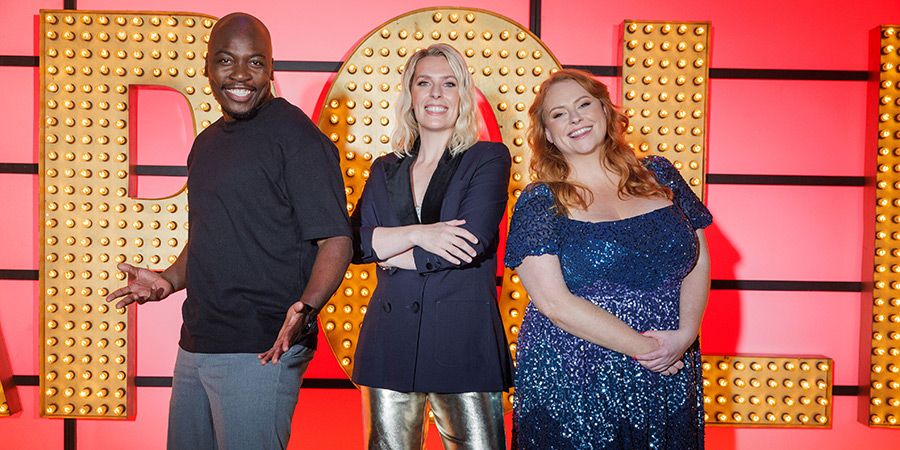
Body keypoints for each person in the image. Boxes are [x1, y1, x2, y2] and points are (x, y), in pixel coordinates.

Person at [105, 13, 352, 450]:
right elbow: (210, 234)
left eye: (254, 63)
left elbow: (337, 239)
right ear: (207, 67)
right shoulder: (207, 142)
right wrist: (168, 280)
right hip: (196, 344)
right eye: (226, 61)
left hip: (260, 348)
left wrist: (306, 307)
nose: (240, 75)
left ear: (272, 69)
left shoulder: (298, 140)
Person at [504, 69, 712, 449]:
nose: (576, 118)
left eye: (584, 104)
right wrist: (651, 351)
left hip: (672, 362)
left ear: (605, 111)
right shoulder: (539, 201)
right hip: (578, 374)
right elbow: (553, 303)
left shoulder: (660, 174)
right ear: (547, 133)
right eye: (559, 113)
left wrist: (685, 335)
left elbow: (698, 259)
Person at [349, 43, 514, 449]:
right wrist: (420, 234)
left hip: (462, 343)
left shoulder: (488, 159)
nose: (436, 93)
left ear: (463, 96)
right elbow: (353, 243)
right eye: (425, 83)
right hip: (389, 343)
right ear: (410, 94)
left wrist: (387, 251)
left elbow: (468, 244)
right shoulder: (385, 167)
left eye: (449, 83)